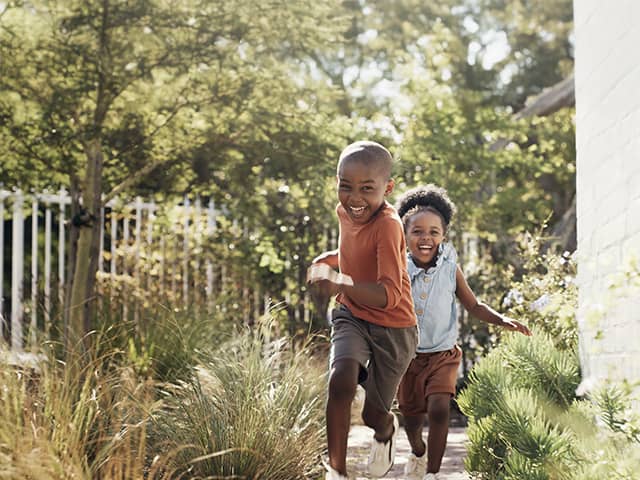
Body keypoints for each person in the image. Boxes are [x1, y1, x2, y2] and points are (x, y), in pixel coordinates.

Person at [395, 184, 532, 480]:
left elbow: (473, 304)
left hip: (443, 354)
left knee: (440, 409)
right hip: (406, 357)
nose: (426, 238)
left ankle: (432, 473)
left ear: (443, 235)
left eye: (434, 231)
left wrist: (503, 320)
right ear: (404, 236)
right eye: (417, 231)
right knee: (412, 421)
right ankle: (418, 452)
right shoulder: (397, 269)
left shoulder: (449, 267)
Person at [307, 140, 418, 480]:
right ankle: (336, 472)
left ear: (387, 188)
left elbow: (388, 295)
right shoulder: (347, 212)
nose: (354, 198)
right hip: (352, 313)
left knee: (372, 415)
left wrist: (339, 282)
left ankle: (386, 431)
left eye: (366, 189)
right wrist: (332, 260)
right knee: (340, 380)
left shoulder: (388, 224)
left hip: (393, 328)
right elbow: (357, 251)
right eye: (345, 186)